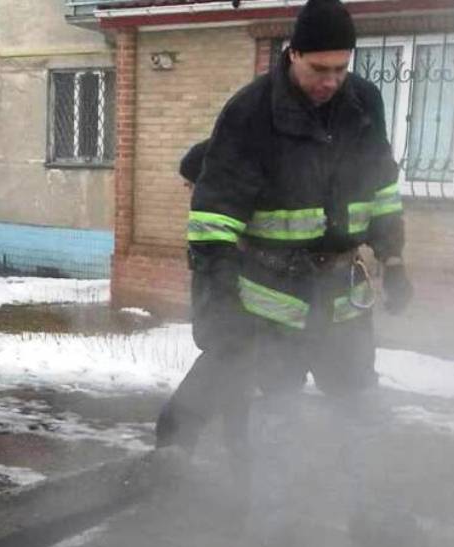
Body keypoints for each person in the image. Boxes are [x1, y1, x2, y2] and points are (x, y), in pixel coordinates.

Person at [156, 0, 410, 461]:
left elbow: (381, 189)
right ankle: (266, 517)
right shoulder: (250, 113)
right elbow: (213, 219)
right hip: (275, 301)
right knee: (274, 415)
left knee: (359, 407)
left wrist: (392, 258)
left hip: (342, 296)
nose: (331, 81)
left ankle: (374, 515)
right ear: (293, 53)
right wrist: (222, 299)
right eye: (319, 68)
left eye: (340, 68)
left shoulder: (364, 103)